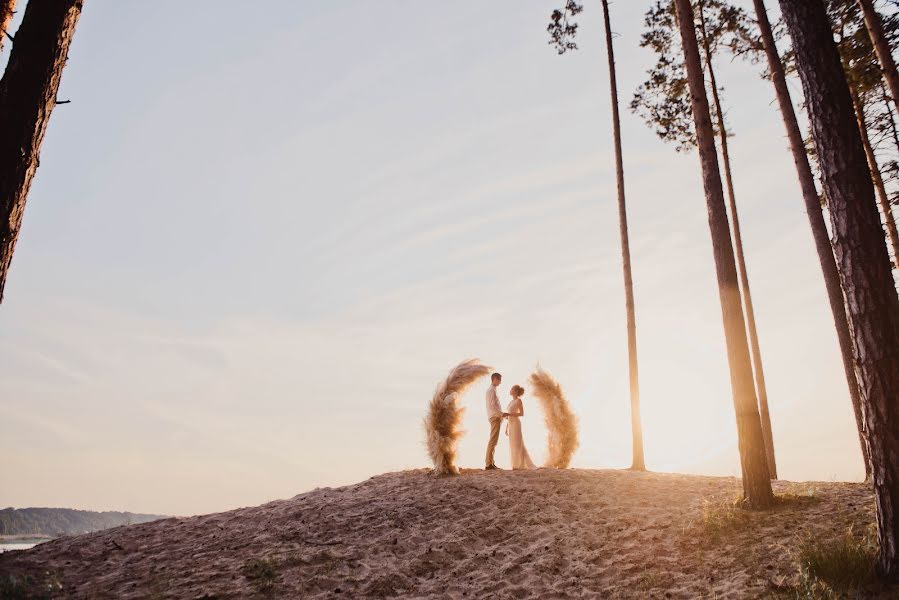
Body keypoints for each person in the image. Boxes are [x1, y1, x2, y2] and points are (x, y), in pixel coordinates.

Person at [506, 384, 536, 470]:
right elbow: (509, 416)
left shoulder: (518, 401)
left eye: (511, 389)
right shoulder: (511, 402)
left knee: (517, 444)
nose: (510, 390)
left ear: (515, 391)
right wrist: (507, 426)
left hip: (516, 424)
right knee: (512, 444)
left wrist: (508, 414)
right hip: (511, 424)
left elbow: (522, 413)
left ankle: (519, 465)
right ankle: (516, 464)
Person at [485, 372, 507, 470]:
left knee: (494, 440)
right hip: (495, 417)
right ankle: (488, 464)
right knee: (493, 440)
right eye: (499, 380)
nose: (500, 382)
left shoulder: (493, 389)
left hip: (495, 416)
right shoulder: (491, 390)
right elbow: (493, 405)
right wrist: (501, 414)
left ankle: (491, 463)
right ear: (494, 379)